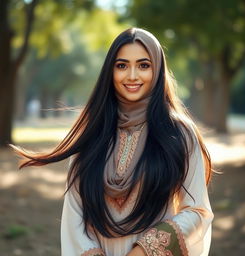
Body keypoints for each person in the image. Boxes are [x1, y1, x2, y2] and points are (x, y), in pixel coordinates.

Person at [12, 28, 214, 256]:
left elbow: (197, 211)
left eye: (144, 65)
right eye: (122, 65)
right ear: (110, 71)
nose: (132, 76)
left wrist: (143, 251)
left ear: (157, 70)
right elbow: (75, 212)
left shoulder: (179, 132)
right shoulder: (93, 132)